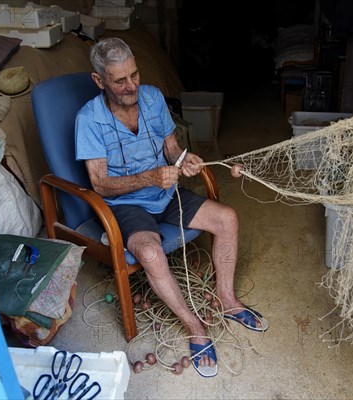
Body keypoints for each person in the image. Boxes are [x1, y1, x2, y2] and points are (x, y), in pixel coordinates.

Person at [75, 37, 268, 377]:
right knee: (150, 252)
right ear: (99, 81)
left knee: (227, 218)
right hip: (125, 205)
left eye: (134, 75)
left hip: (165, 194)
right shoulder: (88, 119)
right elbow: (100, 184)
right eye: (120, 81)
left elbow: (171, 149)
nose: (131, 85)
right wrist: (150, 177)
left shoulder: (151, 98)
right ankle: (194, 326)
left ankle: (226, 298)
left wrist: (185, 159)